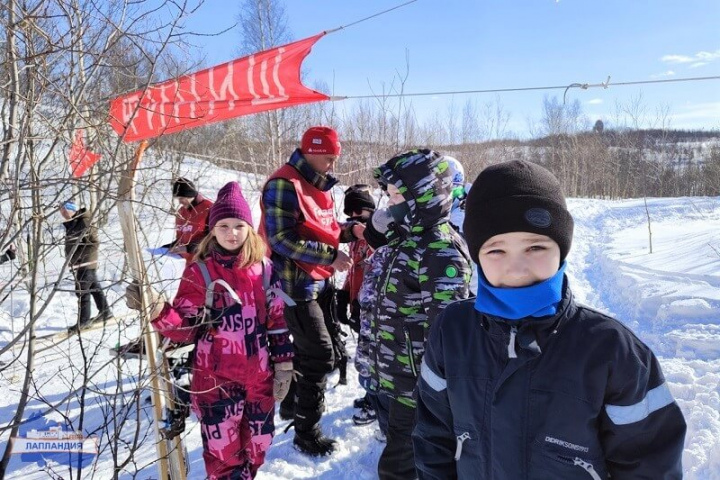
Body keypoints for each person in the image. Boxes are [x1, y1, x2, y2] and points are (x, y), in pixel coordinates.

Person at [412, 160, 687, 479]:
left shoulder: (612, 349)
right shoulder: (453, 331)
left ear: (562, 248)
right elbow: (434, 438)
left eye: (535, 247)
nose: (516, 269)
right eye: (496, 251)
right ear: (476, 255)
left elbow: (650, 465)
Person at [126, 181, 294, 479]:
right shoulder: (200, 270)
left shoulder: (266, 269)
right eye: (224, 225)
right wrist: (156, 311)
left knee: (258, 447)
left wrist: (284, 365)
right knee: (223, 459)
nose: (232, 233)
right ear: (213, 228)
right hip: (216, 385)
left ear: (250, 228)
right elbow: (185, 329)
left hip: (259, 381)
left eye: (239, 225)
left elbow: (277, 323)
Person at [260, 125, 363, 456]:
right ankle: (306, 431)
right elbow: (280, 239)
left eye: (335, 158)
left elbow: (324, 230)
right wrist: (331, 256)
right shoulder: (284, 184)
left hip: (320, 281)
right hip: (294, 285)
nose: (333, 164)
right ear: (310, 152)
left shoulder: (321, 187)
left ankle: (292, 404)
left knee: (320, 351)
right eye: (328, 157)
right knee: (320, 354)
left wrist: (353, 231)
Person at [370, 149, 472, 480]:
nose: (389, 203)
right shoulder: (406, 238)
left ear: (423, 196)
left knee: (398, 467)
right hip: (394, 376)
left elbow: (448, 334)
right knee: (405, 454)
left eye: (397, 194)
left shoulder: (438, 249)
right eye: (387, 194)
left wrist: (436, 394)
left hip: (417, 389)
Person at [60, 201, 112, 331]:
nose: (62, 213)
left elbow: (94, 243)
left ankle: (84, 321)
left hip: (85, 262)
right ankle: (105, 312)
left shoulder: (83, 221)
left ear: (71, 209)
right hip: (81, 264)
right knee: (94, 287)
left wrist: (77, 257)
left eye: (63, 210)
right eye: (60, 211)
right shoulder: (75, 223)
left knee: (82, 291)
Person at [161, 177, 213, 261]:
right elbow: (180, 240)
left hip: (205, 262)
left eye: (181, 198)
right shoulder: (181, 212)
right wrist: (166, 248)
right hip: (186, 264)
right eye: (178, 199)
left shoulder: (209, 208)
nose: (179, 202)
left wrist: (188, 248)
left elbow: (213, 239)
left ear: (190, 194)